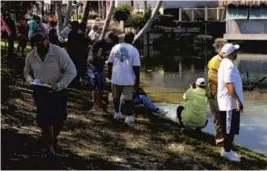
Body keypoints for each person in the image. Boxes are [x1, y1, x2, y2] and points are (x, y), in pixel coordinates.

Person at [24, 30, 77, 155]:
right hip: (40, 91)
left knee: (59, 119)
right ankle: (49, 146)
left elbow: (71, 71)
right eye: (35, 45)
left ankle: (50, 140)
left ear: (46, 39)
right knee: (44, 119)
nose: (38, 47)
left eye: (40, 43)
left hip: (57, 90)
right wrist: (29, 80)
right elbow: (27, 71)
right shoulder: (31, 56)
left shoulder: (59, 53)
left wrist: (59, 85)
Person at [217, 43, 244, 162]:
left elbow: (231, 82)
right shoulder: (228, 65)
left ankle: (227, 150)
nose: (236, 53)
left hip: (228, 102)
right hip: (229, 103)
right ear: (231, 53)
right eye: (235, 51)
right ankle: (227, 152)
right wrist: (238, 100)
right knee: (229, 129)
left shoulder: (225, 63)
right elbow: (228, 84)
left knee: (230, 128)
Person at [107, 32, 141, 124]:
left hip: (116, 77)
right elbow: (136, 67)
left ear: (124, 38)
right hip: (128, 78)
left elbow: (110, 62)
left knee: (116, 97)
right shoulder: (134, 50)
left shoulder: (115, 47)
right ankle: (129, 116)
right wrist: (137, 80)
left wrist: (109, 73)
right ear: (132, 39)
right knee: (128, 98)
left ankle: (117, 113)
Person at [87, 31, 117, 111]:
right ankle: (95, 105)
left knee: (101, 86)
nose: (112, 42)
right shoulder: (98, 43)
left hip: (100, 66)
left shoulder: (110, 45)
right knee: (95, 86)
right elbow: (91, 55)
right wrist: (94, 63)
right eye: (111, 39)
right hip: (92, 66)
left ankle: (100, 103)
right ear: (108, 37)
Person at [207, 38, 228, 145]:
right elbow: (212, 78)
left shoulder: (224, 60)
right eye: (223, 46)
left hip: (222, 94)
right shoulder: (215, 61)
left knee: (224, 117)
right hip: (214, 95)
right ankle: (220, 140)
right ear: (219, 47)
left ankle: (224, 139)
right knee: (218, 118)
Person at [67, 21, 87, 88]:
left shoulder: (70, 34)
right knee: (78, 69)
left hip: (73, 54)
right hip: (79, 54)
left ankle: (73, 82)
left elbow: (69, 45)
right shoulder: (80, 34)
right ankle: (76, 82)